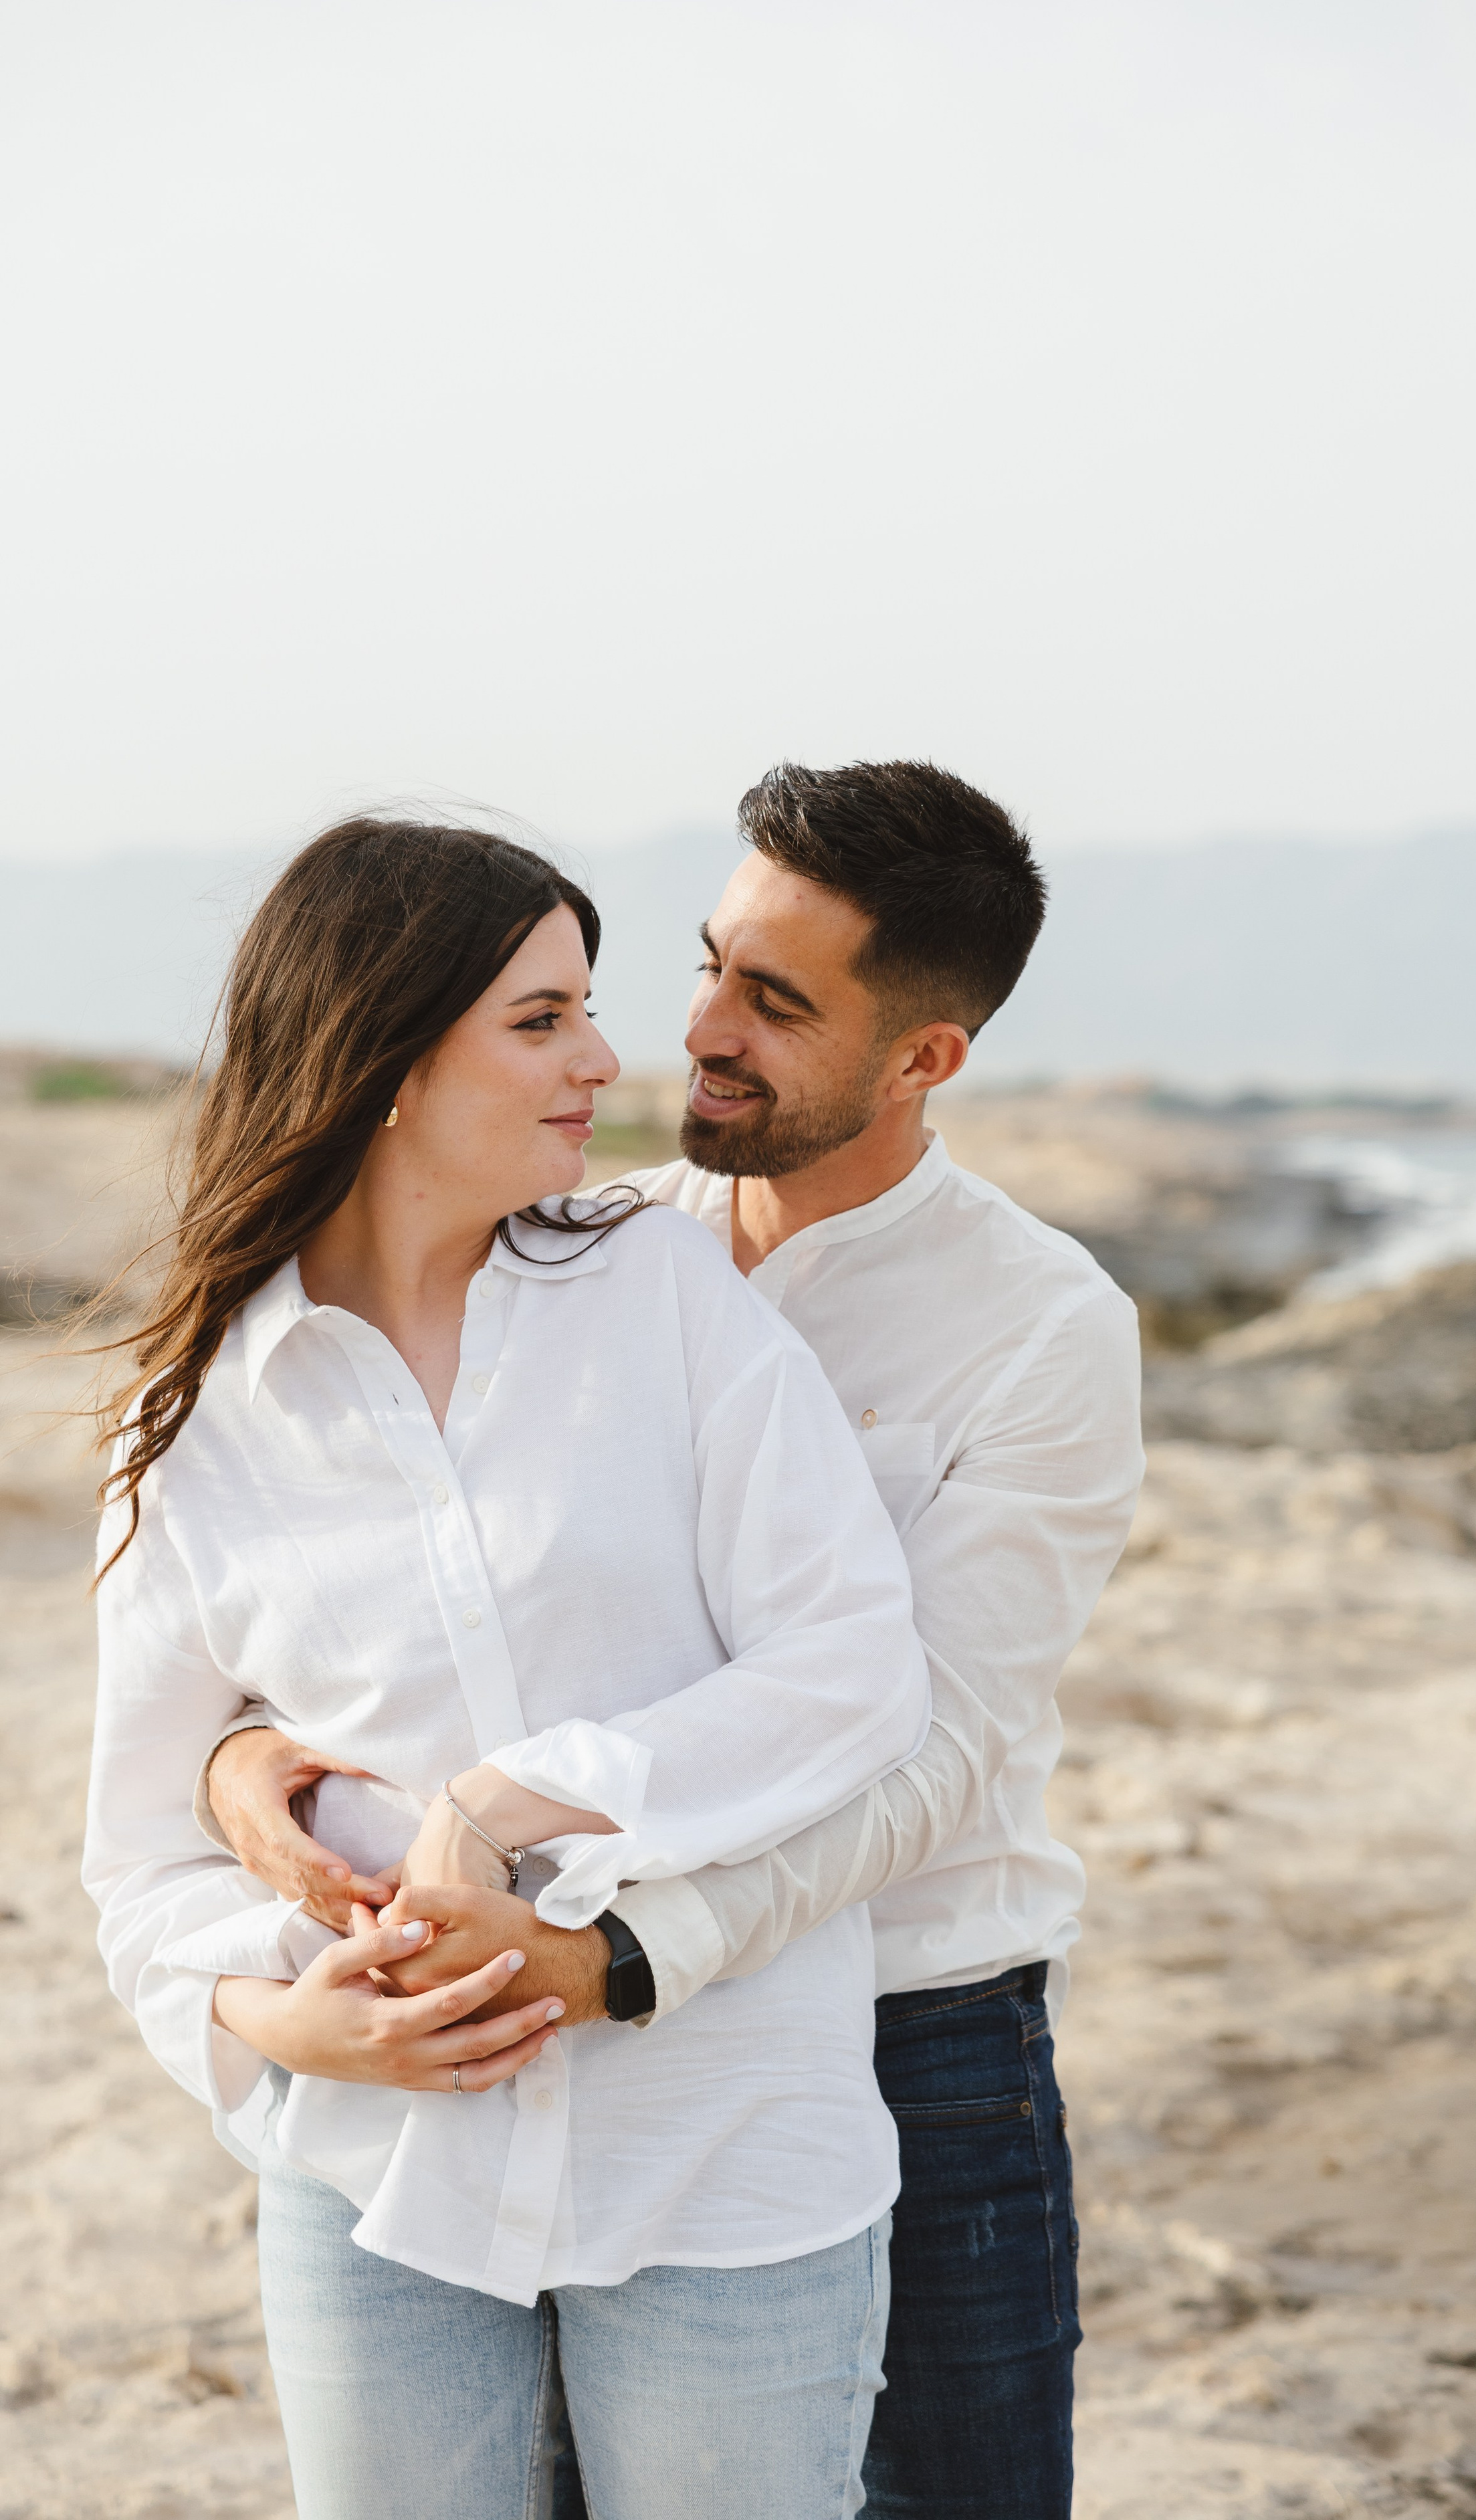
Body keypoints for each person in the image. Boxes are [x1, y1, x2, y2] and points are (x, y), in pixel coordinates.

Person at [209, 762, 1146, 2520]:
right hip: (574, 2036)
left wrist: (635, 1959)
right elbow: (387, 1580)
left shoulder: (1040, 1333)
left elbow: (923, 1751)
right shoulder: (586, 1243)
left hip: (914, 2030)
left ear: (925, 1058)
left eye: (777, 1004)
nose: (698, 1029)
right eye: (712, 963)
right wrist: (237, 1752)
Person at [82, 815, 934, 2520]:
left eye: (587, 1010)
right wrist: (281, 2020)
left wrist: (515, 1798)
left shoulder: (665, 1296)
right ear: (385, 1057)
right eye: (539, 1020)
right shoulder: (196, 1427)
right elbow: (141, 1872)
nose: (608, 1061)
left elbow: (851, 1664)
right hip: (371, 2181)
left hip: (718, 2144)